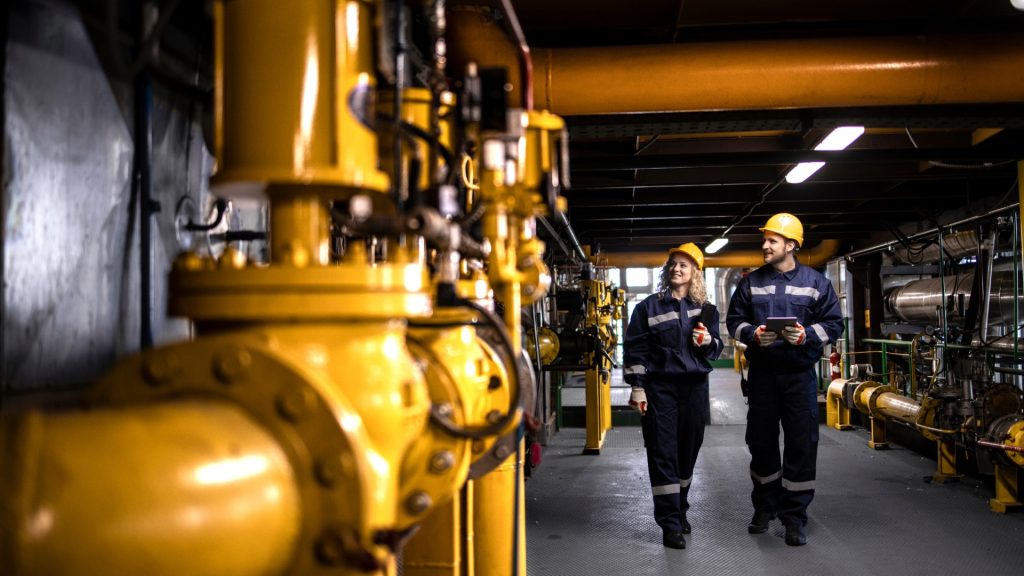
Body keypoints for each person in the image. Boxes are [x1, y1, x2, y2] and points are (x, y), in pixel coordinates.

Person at [725, 213, 843, 547]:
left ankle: (795, 517)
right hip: (763, 376)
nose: (765, 245)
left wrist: (805, 335)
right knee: (760, 443)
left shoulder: (816, 282)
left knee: (801, 445)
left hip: (798, 377)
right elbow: (734, 321)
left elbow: (834, 324)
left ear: (790, 245)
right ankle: (765, 508)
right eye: (765, 240)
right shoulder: (751, 282)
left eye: (772, 241)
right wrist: (752, 334)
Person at [623, 242, 723, 550]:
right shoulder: (647, 308)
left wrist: (708, 341)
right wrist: (637, 387)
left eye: (684, 264)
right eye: (673, 264)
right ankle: (669, 523)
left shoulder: (706, 310)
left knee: (688, 449)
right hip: (660, 388)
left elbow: (716, 350)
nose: (677, 268)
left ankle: (680, 507)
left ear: (695, 271)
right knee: (662, 450)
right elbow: (636, 349)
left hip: (694, 388)